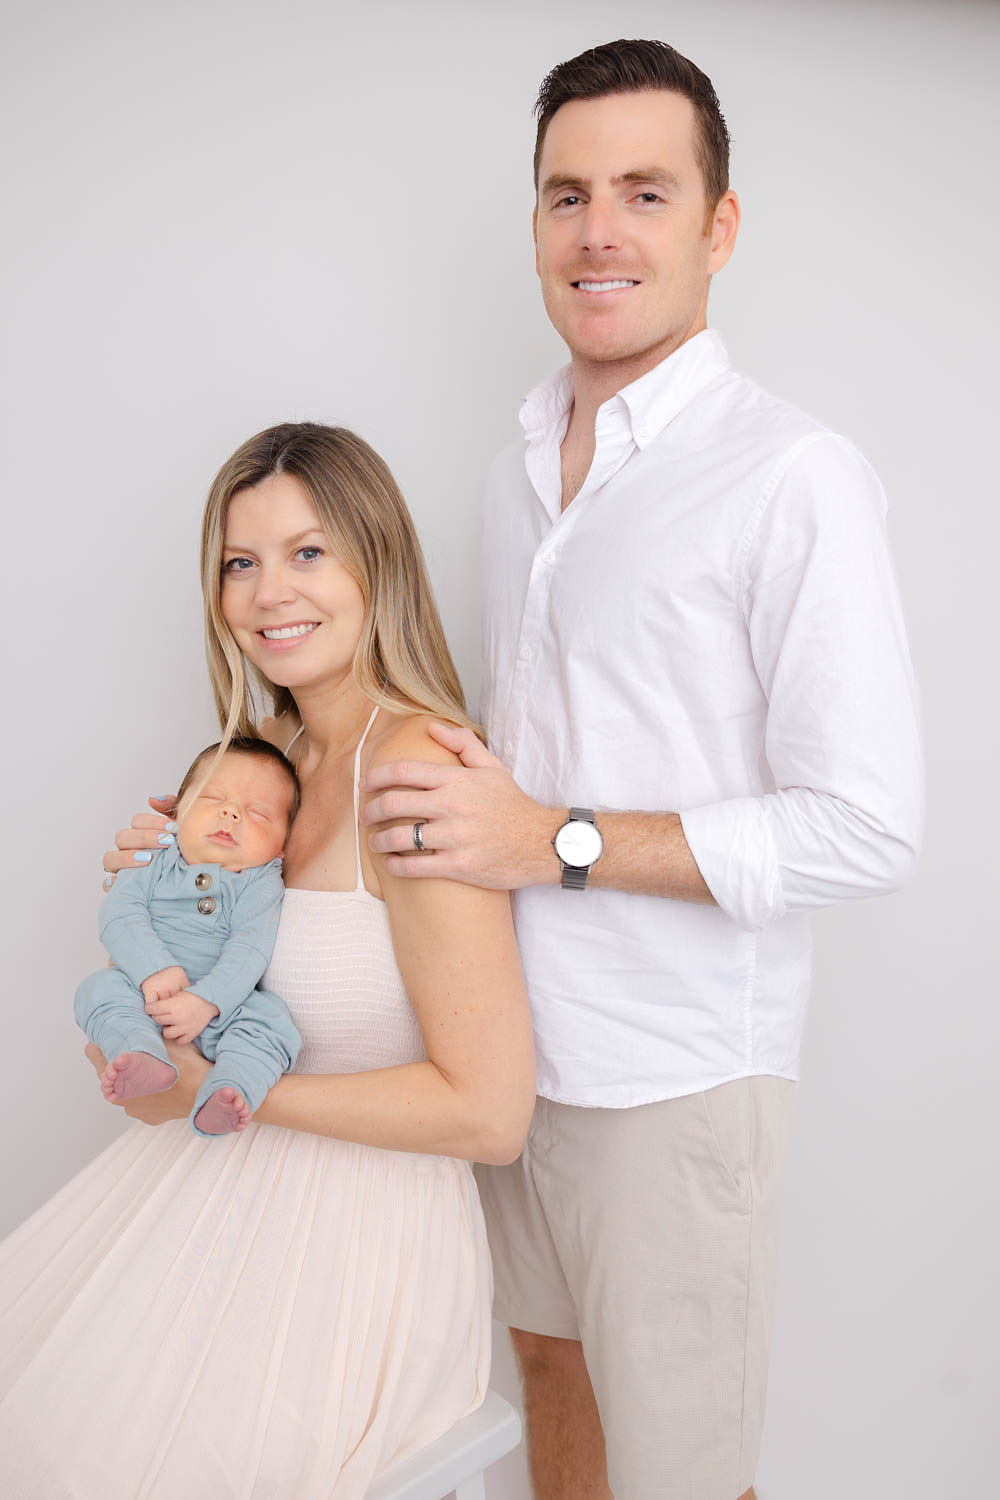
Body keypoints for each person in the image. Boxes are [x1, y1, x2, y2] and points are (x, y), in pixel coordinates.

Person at [358, 39, 924, 1500]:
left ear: (718, 226)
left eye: (645, 192)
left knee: (681, 1466)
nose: (599, 230)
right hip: (508, 1051)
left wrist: (555, 839)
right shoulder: (517, 467)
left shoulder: (792, 475)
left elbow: (865, 825)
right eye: (566, 196)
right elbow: (500, 764)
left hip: (676, 1068)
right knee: (546, 1377)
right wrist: (243, 814)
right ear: (536, 227)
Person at [0, 422, 535, 1499]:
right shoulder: (263, 765)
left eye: (306, 553)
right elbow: (198, 1011)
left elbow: (490, 1113)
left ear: (374, 561)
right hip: (196, 1196)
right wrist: (150, 967)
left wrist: (243, 1095)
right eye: (239, 563)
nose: (265, 593)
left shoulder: (414, 773)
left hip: (347, 1250)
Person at [76, 738, 302, 1137]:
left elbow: (250, 949)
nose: (231, 813)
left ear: (284, 847)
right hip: (142, 996)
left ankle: (230, 1089)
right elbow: (119, 914)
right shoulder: (155, 858)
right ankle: (138, 1051)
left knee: (272, 1023)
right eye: (214, 798)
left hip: (224, 1012)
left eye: (259, 814)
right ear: (176, 813)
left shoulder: (261, 881)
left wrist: (206, 1002)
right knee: (96, 990)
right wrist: (154, 970)